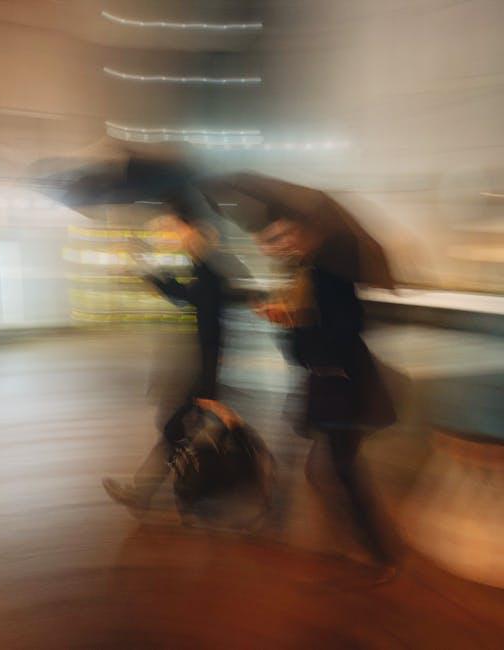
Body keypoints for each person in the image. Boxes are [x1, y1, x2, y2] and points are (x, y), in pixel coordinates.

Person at [253, 214, 398, 568]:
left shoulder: (325, 276)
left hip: (343, 385)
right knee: (327, 470)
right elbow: (309, 346)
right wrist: (290, 321)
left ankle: (379, 552)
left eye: (289, 233)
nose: (283, 242)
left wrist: (295, 324)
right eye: (277, 236)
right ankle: (363, 545)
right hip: (331, 384)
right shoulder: (308, 274)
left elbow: (345, 331)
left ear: (310, 232)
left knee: (340, 469)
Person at [102, 215, 257, 511]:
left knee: (180, 429)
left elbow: (204, 319)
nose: (185, 242)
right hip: (203, 367)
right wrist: (146, 269)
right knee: (179, 430)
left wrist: (208, 382)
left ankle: (216, 483)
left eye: (190, 238)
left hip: (205, 368)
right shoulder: (205, 271)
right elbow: (182, 294)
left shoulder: (211, 275)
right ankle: (167, 490)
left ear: (206, 241)